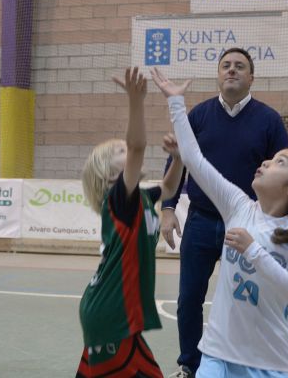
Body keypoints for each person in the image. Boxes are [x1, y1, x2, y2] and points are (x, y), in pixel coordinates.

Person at [152, 67, 288, 378]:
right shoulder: (238, 206)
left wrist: (253, 250)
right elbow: (195, 158)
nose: (266, 161)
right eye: (271, 158)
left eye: (279, 162)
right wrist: (176, 103)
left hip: (270, 361)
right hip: (217, 354)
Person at [76, 67, 184, 378]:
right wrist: (136, 102)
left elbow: (169, 189)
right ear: (109, 176)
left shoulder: (141, 197)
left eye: (124, 148)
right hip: (111, 314)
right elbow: (138, 145)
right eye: (120, 152)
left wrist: (177, 159)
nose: (130, 151)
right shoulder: (118, 199)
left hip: (116, 315)